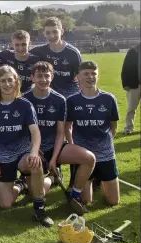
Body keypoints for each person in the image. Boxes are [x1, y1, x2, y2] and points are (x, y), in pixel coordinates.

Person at [0, 65, 53, 227]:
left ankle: (39, 209)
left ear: (16, 82)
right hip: (3, 156)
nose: (7, 84)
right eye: (3, 81)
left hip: (23, 153)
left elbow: (35, 132)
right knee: (5, 204)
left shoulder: (24, 105)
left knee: (35, 164)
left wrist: (34, 153)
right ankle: (21, 185)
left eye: (10, 80)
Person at [23, 61, 95, 215]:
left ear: (52, 76)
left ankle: (74, 195)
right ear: (32, 78)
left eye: (46, 76)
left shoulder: (59, 100)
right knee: (36, 193)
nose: (43, 79)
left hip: (55, 146)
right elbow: (23, 132)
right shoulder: (24, 99)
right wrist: (34, 150)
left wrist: (54, 158)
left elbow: (60, 133)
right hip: (34, 149)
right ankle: (50, 178)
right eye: (39, 76)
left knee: (89, 158)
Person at [29, 16, 83, 190]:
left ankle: (77, 177)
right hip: (48, 96)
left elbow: (79, 79)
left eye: (55, 31)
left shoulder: (73, 53)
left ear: (62, 31)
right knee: (49, 131)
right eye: (48, 32)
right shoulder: (39, 51)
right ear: (44, 33)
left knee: (70, 136)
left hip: (68, 97)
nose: (51, 35)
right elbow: (16, 53)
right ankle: (53, 170)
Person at [66, 61, 120, 207]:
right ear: (78, 77)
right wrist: (73, 146)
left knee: (113, 201)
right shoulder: (72, 101)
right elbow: (68, 126)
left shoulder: (109, 99)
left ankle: (99, 179)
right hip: (84, 155)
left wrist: (106, 143)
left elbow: (113, 126)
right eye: (86, 74)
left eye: (93, 73)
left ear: (98, 76)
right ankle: (88, 181)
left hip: (106, 153)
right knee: (85, 201)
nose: (90, 77)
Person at [121, 43, 140, 135]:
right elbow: (125, 68)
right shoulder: (133, 51)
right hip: (134, 84)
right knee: (131, 108)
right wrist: (125, 83)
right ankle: (129, 127)